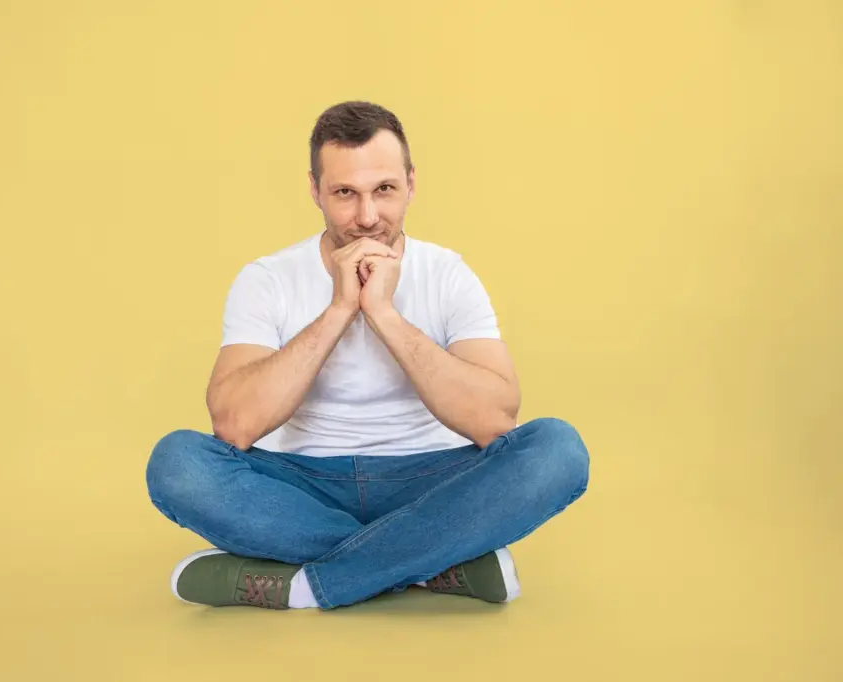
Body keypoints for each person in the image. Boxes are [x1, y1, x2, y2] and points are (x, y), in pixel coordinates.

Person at [145, 101, 590, 611]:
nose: (367, 217)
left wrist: (384, 314)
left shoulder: (448, 275)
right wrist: (340, 308)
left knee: (558, 449)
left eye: (384, 190)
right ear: (315, 191)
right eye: (344, 194)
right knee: (177, 462)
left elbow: (494, 420)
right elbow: (235, 424)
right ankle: (431, 561)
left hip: (432, 480)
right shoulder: (266, 279)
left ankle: (309, 586)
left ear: (411, 184)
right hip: (299, 483)